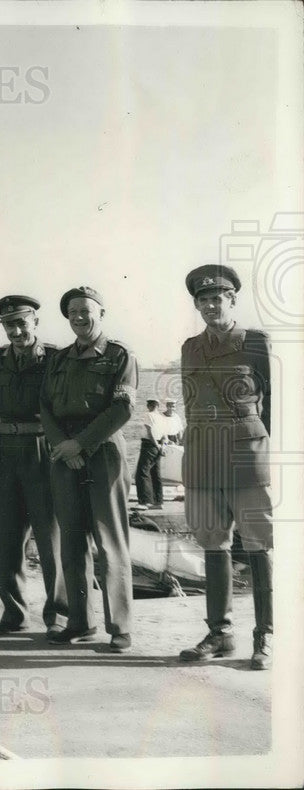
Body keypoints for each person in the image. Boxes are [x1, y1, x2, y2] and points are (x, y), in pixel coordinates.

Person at [178, 265, 272, 670]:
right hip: (202, 458)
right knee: (212, 542)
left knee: (259, 543)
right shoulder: (190, 347)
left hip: (246, 458)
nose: (210, 306)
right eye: (203, 300)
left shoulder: (256, 342)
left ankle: (266, 635)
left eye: (217, 298)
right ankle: (220, 633)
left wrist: (272, 453)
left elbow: (280, 403)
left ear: (232, 300)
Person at [40, 286, 137, 653]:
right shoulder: (58, 359)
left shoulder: (119, 355)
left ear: (101, 313)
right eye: (73, 312)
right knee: (71, 541)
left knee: (110, 541)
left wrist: (80, 444)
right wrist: (63, 446)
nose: (79, 317)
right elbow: (44, 406)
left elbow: (122, 408)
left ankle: (120, 628)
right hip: (64, 455)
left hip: (102, 452)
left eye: (86, 310)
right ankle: (79, 621)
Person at [0, 295, 70, 637]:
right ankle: (14, 613)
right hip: (5, 449)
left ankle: (58, 615)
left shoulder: (54, 358)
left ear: (35, 322)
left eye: (21, 323)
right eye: (9, 325)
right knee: (6, 536)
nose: (16, 331)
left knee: (50, 537)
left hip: (41, 448)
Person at [135, 398, 166, 509]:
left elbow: (150, 432)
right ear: (158, 406)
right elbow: (165, 436)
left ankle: (144, 502)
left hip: (149, 445)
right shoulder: (162, 418)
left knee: (142, 472)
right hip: (159, 446)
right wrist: (162, 447)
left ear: (149, 406)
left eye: (149, 404)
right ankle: (158, 502)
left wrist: (156, 445)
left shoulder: (149, 415)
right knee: (155, 473)